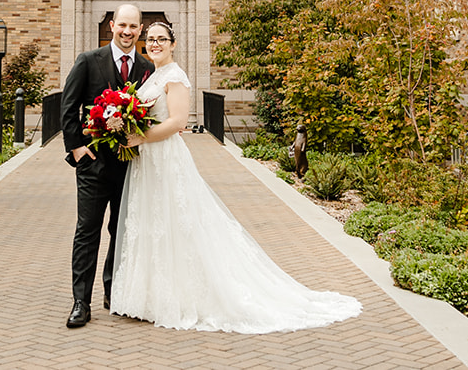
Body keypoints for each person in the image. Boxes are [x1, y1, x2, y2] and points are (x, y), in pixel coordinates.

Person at [109, 21, 363, 333]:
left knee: (176, 222)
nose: (155, 44)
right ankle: (150, 297)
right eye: (151, 40)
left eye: (162, 39)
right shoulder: (153, 75)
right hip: (147, 162)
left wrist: (141, 138)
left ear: (174, 44)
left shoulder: (175, 76)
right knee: (153, 223)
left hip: (165, 158)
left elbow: (176, 122)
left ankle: (182, 297)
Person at [61, 3, 154, 328]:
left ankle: (114, 293)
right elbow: (69, 105)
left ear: (140, 30)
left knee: (123, 230)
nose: (127, 32)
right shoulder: (89, 61)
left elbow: (152, 114)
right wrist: (76, 148)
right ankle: (80, 302)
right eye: (122, 25)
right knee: (87, 231)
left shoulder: (147, 67)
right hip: (93, 166)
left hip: (131, 166)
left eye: (134, 27)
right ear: (112, 25)